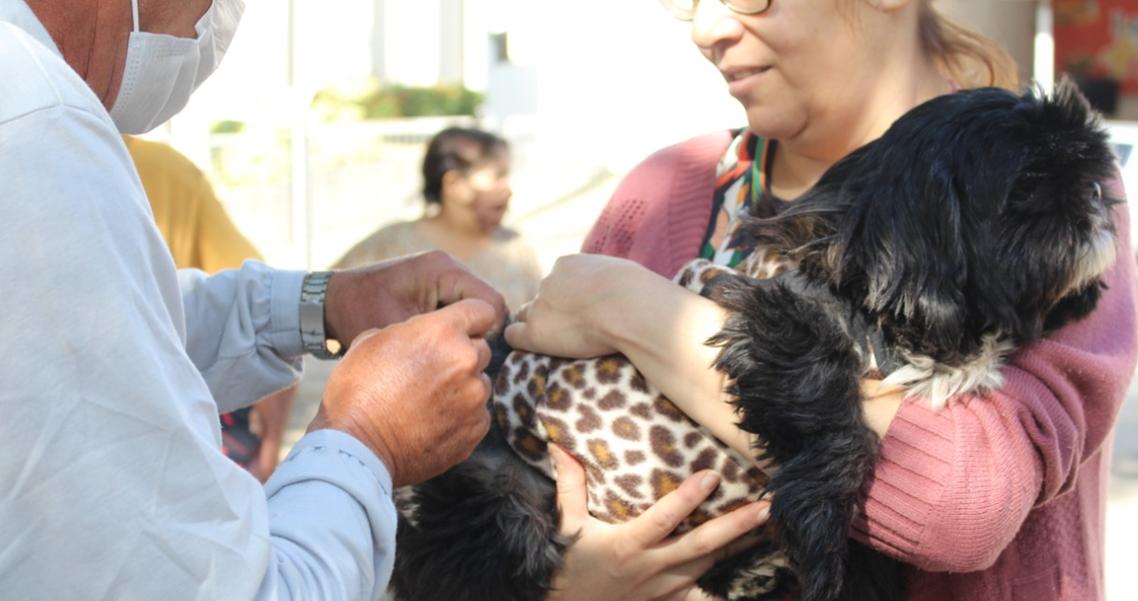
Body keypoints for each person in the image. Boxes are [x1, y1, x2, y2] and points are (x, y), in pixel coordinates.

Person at [0, 1, 767, 600]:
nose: (213, 23)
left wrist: (322, 305)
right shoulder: (36, 131)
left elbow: (121, 333)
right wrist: (363, 436)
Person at [505, 1, 1138, 600]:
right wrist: (564, 585)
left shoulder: (1040, 181)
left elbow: (963, 504)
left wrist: (633, 310)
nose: (708, 29)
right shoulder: (663, 193)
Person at [125, 134, 296, 481]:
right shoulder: (163, 171)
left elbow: (268, 307)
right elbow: (270, 313)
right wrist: (268, 449)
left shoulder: (165, 173)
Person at [336, 126, 543, 311]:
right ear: (454, 184)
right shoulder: (389, 246)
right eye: (497, 176)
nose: (507, 189)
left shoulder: (517, 250)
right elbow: (329, 296)